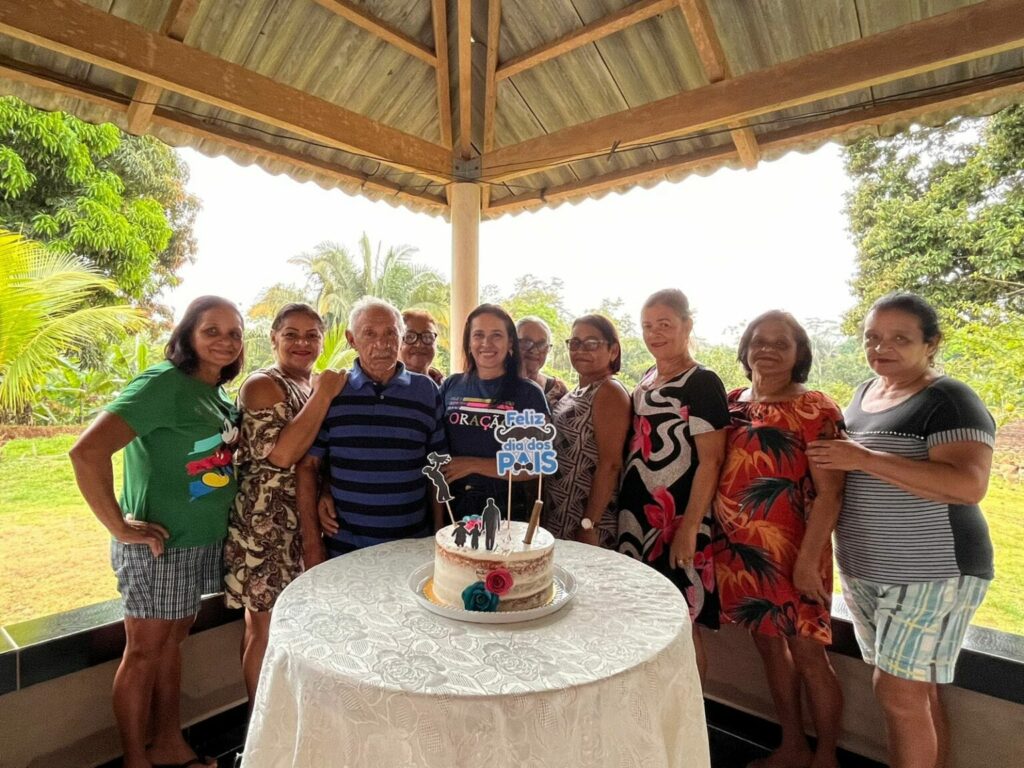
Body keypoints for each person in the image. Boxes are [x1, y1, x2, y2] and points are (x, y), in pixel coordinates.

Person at [807, 293, 995, 768]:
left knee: (896, 692)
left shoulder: (950, 399)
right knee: (915, 691)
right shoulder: (863, 395)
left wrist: (864, 458)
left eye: (899, 339)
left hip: (933, 570)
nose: (881, 347)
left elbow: (968, 485)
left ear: (931, 344)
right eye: (872, 337)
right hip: (867, 569)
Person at [69, 296, 244, 768]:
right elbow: (87, 452)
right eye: (211, 330)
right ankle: (135, 760)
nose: (225, 341)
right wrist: (119, 526)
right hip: (161, 548)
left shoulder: (214, 393)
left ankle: (168, 743)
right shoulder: (163, 383)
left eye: (234, 333)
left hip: (198, 542)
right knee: (144, 652)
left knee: (171, 644)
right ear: (187, 334)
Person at [713, 311, 845, 768]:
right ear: (745, 349)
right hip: (742, 555)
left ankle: (826, 757)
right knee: (769, 647)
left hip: (795, 554)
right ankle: (792, 746)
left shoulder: (816, 409)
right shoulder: (732, 402)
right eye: (759, 341)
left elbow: (831, 494)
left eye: (780, 342)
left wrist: (807, 562)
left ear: (799, 353)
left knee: (809, 655)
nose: (767, 349)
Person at [222, 303, 347, 709]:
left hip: (302, 521)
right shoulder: (263, 384)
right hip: (265, 528)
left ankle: (284, 719)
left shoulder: (310, 386)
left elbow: (317, 457)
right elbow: (282, 454)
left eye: (312, 335)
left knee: (294, 628)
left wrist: (325, 492)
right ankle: (258, 728)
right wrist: (325, 393)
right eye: (291, 334)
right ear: (273, 338)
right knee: (265, 629)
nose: (302, 343)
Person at [616, 289, 729, 684]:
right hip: (637, 519)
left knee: (682, 621)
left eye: (664, 324)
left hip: (678, 519)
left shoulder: (702, 382)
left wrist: (689, 528)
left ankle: (693, 712)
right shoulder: (646, 379)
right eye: (648, 326)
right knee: (645, 619)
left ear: (687, 325)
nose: (655, 333)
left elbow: (711, 461)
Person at [299, 297, 445, 562]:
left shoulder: (426, 391)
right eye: (369, 334)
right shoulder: (332, 391)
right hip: (345, 551)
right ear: (351, 339)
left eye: (391, 333)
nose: (382, 344)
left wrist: (438, 536)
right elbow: (309, 466)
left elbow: (437, 470)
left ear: (401, 337)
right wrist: (312, 544)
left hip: (412, 548)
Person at [440, 304, 549, 523]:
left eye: (496, 335)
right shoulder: (451, 386)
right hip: (453, 506)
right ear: (468, 342)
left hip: (507, 509)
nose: (486, 343)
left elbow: (537, 465)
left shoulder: (528, 393)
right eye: (478, 335)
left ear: (510, 343)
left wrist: (473, 464)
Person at [544, 314, 631, 547]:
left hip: (587, 519)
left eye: (592, 343)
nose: (581, 350)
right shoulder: (576, 391)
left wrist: (589, 523)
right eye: (575, 343)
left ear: (613, 351)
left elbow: (610, 464)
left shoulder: (609, 391)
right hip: (560, 510)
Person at [517, 316, 569, 411]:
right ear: (511, 344)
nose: (534, 350)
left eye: (541, 344)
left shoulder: (558, 390)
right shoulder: (495, 385)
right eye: (526, 342)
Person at [400, 308, 445, 385]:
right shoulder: (384, 388)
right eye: (410, 337)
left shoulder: (447, 387)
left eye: (427, 337)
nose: (419, 344)